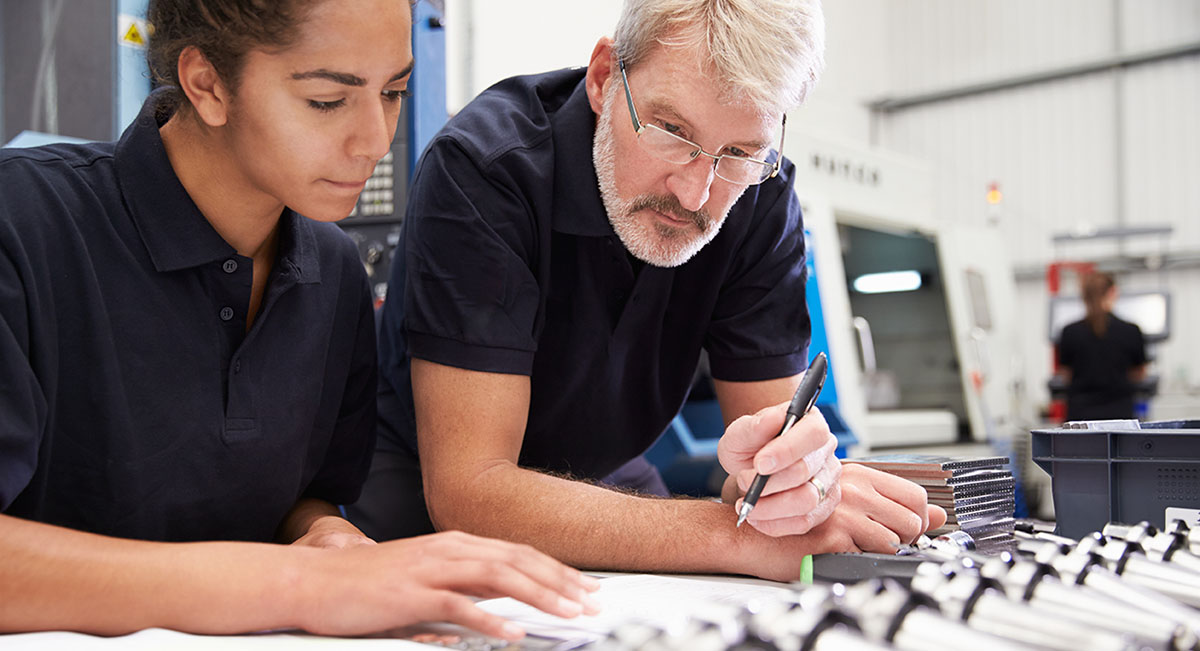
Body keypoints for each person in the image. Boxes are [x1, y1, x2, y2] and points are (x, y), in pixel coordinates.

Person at [0, 0, 598, 640]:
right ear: (207, 84)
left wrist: (328, 537)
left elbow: (300, 499)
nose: (375, 139)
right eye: (326, 101)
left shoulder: (333, 270)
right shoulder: (24, 227)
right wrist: (298, 587)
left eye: (393, 92)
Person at [350, 0, 946, 582]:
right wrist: (731, 535)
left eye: (738, 153)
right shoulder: (486, 170)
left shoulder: (760, 197)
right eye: (671, 130)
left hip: (606, 475)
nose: (694, 193)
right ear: (605, 78)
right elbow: (471, 491)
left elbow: (766, 465)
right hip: (423, 487)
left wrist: (791, 488)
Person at [1058, 272, 1148, 420]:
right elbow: (1139, 374)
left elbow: (1065, 375)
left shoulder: (1069, 332)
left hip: (1080, 416)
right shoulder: (1131, 331)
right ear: (1113, 292)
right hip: (1119, 416)